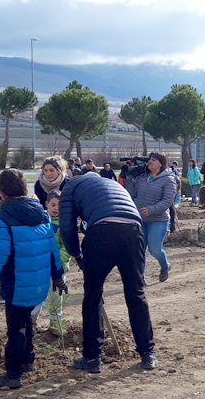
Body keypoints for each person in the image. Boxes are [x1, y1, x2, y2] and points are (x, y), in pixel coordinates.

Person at [0, 169, 65, 389]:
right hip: (40, 282)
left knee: (15, 328)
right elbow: (53, 248)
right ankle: (27, 360)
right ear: (26, 189)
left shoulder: (1, 216)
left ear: (1, 193)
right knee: (27, 321)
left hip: (16, 283)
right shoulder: (42, 212)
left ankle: (13, 375)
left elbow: (2, 253)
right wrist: (58, 277)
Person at [59, 172, 157, 372]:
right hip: (133, 231)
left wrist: (76, 256)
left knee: (93, 296)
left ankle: (92, 358)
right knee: (136, 293)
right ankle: (148, 354)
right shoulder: (112, 184)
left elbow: (67, 228)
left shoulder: (70, 188)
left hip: (102, 232)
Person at [125, 152, 178, 282]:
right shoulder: (142, 177)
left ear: (161, 163)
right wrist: (128, 178)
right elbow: (131, 193)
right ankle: (141, 277)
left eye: (153, 160)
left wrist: (151, 209)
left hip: (158, 219)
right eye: (149, 159)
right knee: (139, 249)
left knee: (155, 249)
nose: (150, 161)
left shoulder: (168, 179)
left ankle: (165, 266)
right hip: (140, 219)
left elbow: (167, 201)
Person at [43, 190, 71, 325]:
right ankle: (32, 320)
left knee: (56, 294)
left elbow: (67, 246)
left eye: (59, 206)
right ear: (46, 204)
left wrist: (56, 259)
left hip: (59, 267)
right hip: (42, 266)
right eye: (53, 205)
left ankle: (56, 321)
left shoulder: (65, 223)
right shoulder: (41, 222)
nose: (56, 208)